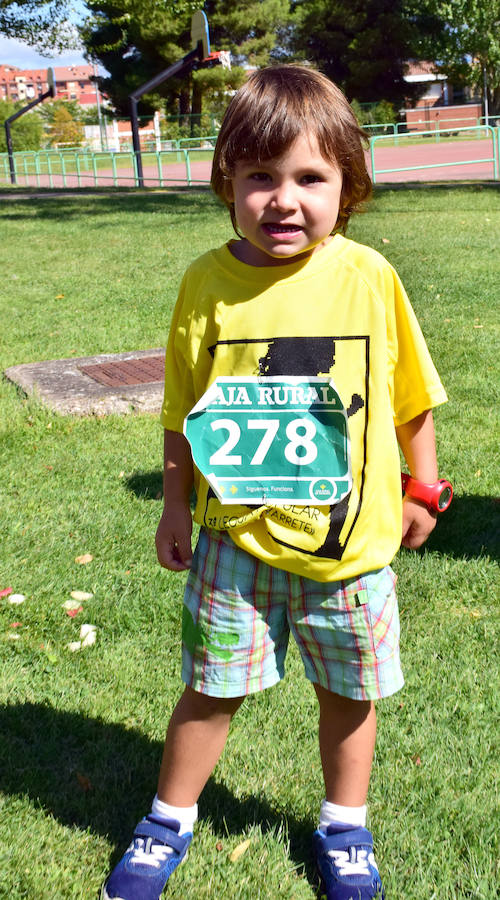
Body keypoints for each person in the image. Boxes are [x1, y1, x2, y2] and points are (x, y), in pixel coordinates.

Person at [102, 65, 449, 900]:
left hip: (351, 552)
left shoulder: (369, 278)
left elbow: (411, 399)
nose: (283, 200)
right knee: (211, 690)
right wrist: (175, 505)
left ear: (347, 186)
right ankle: (166, 822)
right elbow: (184, 413)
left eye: (309, 178)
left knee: (349, 695)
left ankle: (344, 826)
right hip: (235, 546)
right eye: (260, 177)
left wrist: (423, 488)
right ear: (228, 180)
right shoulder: (207, 285)